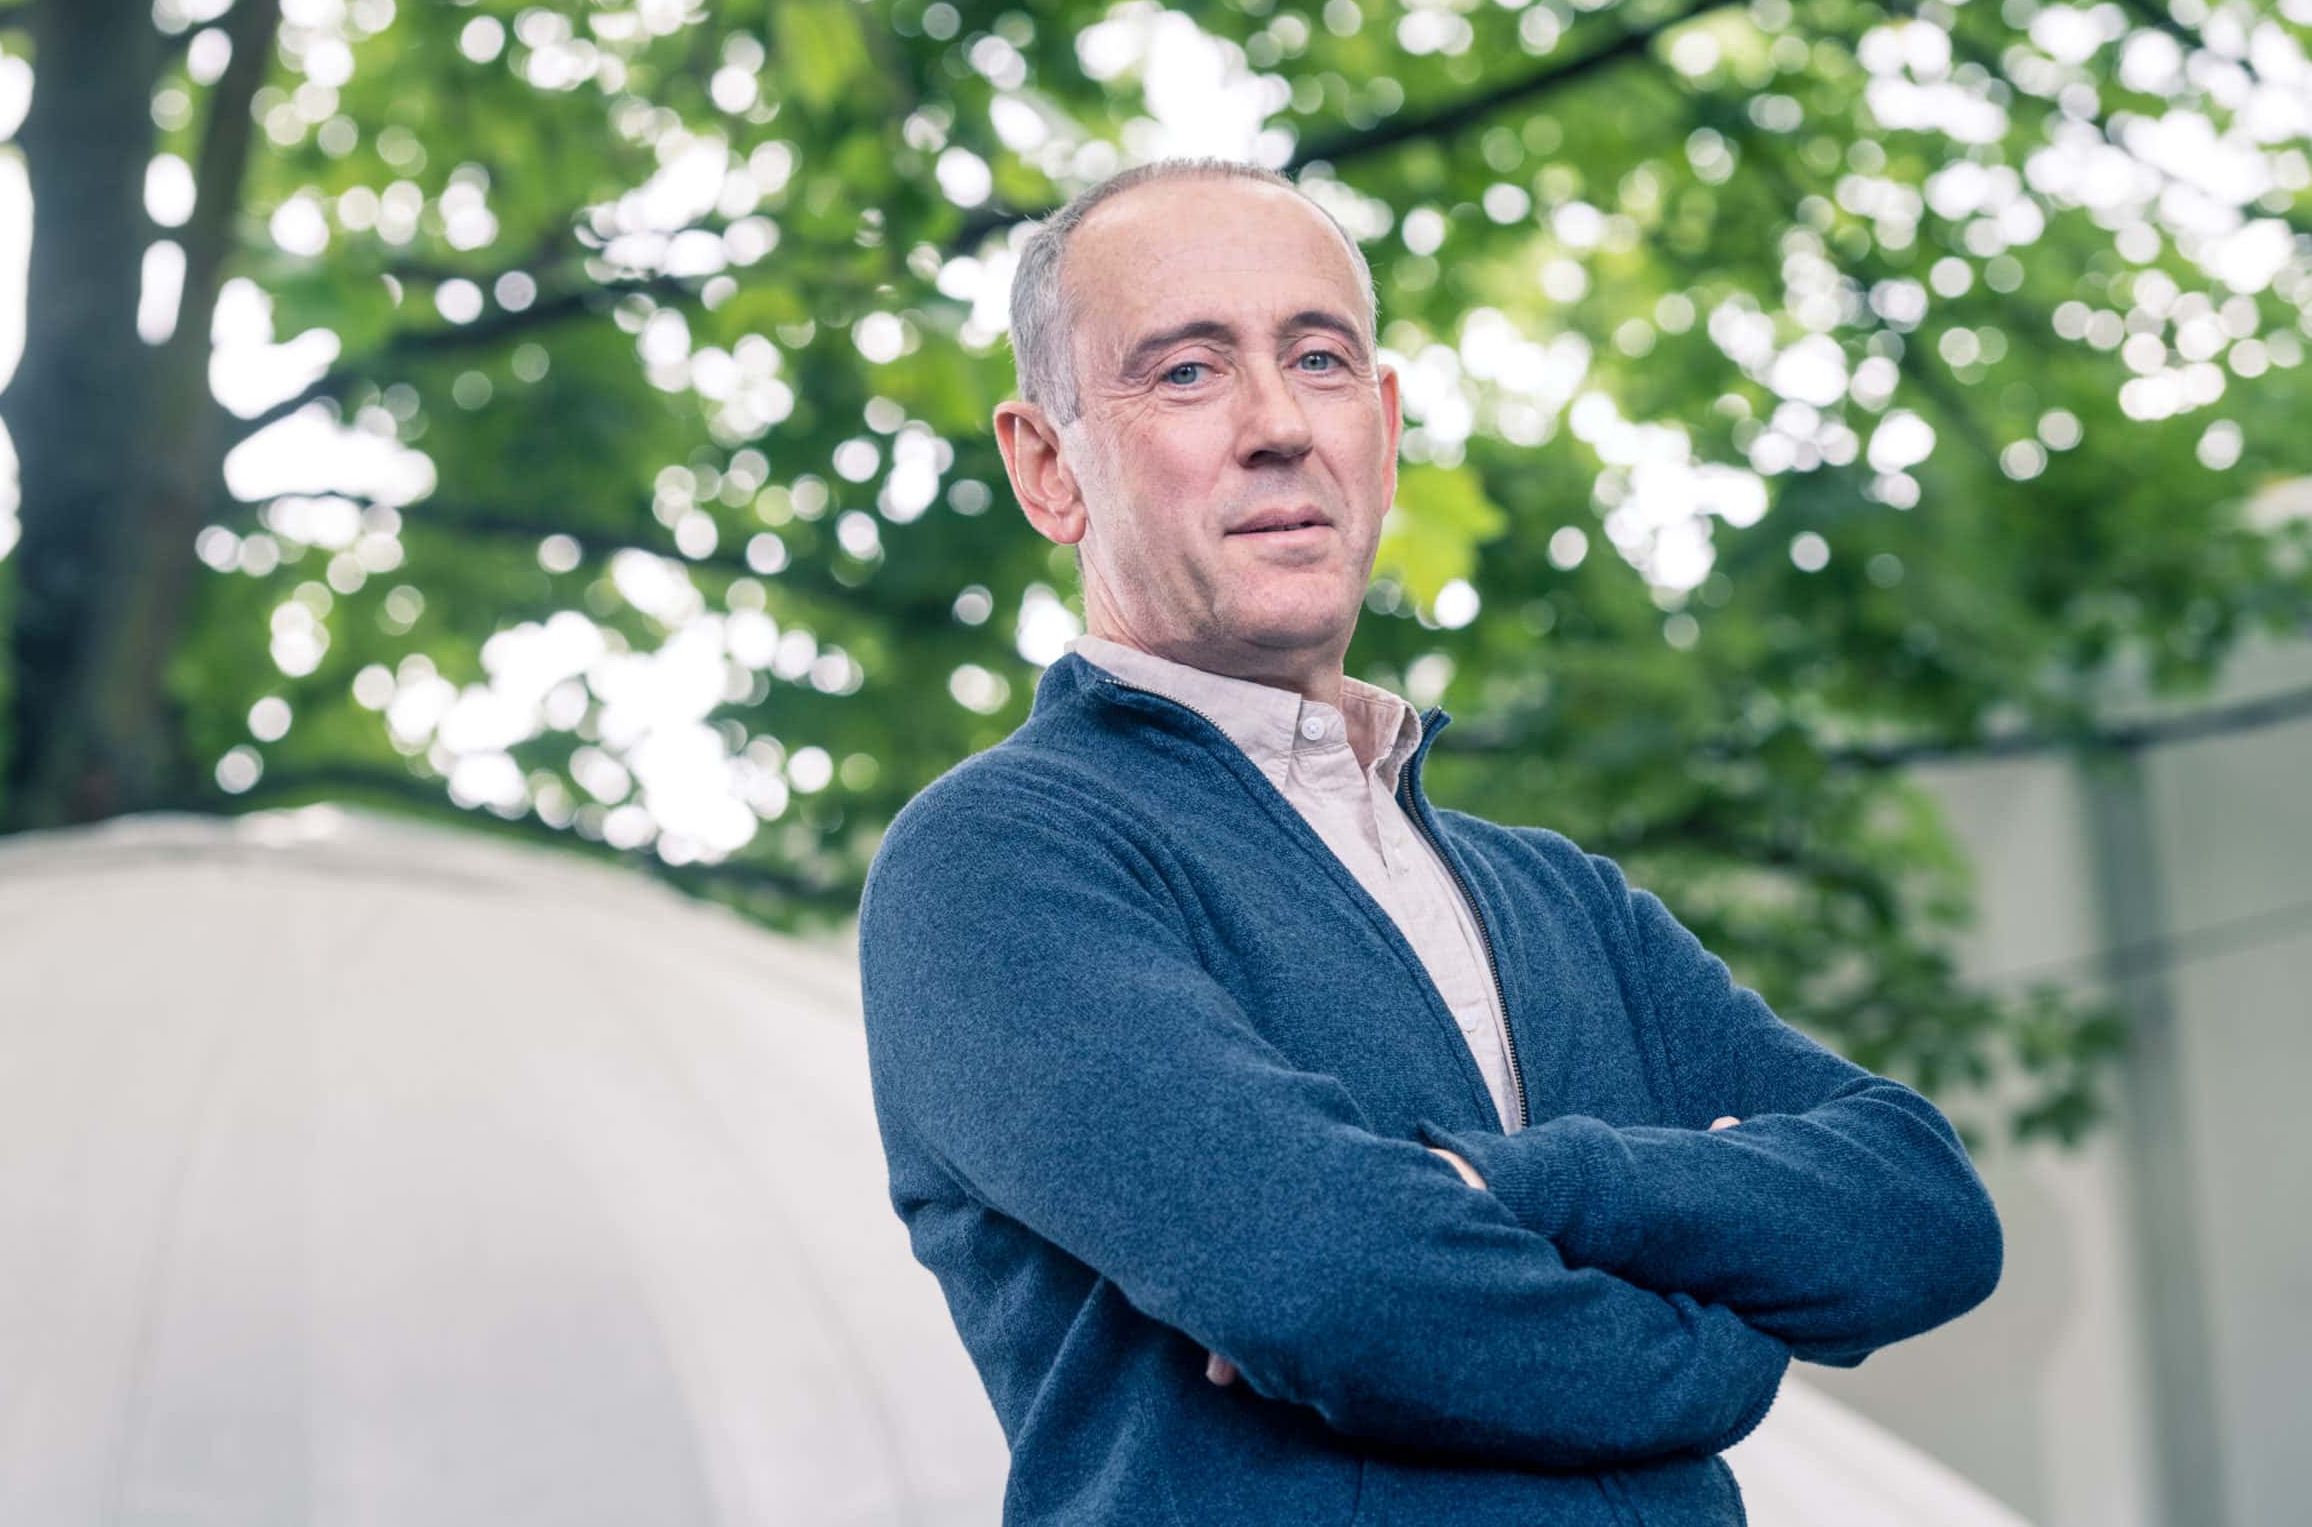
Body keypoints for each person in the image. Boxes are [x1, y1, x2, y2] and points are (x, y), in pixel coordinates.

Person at [855, 157, 2002, 1526]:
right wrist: (1722, 1352)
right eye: (1185, 374)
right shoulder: (999, 863)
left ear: (1384, 429)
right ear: (1050, 467)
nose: (1279, 423)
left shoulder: (1561, 900)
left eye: (1321, 359)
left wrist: (1516, 1186)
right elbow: (1327, 1281)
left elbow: (1924, 1209)